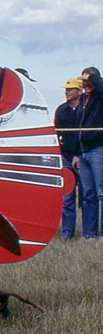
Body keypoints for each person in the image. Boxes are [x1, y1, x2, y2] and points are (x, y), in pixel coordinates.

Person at [76, 67, 103, 240]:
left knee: (101, 193)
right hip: (83, 152)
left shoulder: (100, 98)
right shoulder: (84, 101)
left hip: (98, 149)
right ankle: (89, 234)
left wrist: (93, 77)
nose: (84, 84)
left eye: (87, 81)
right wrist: (76, 154)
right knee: (88, 194)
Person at [56, 78, 84, 239]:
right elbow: (59, 135)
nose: (67, 92)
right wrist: (69, 155)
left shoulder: (86, 109)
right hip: (67, 157)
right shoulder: (61, 110)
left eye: (71, 89)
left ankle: (89, 233)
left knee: (88, 195)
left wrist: (79, 155)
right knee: (67, 196)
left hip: (84, 156)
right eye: (66, 89)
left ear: (79, 92)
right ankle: (67, 234)